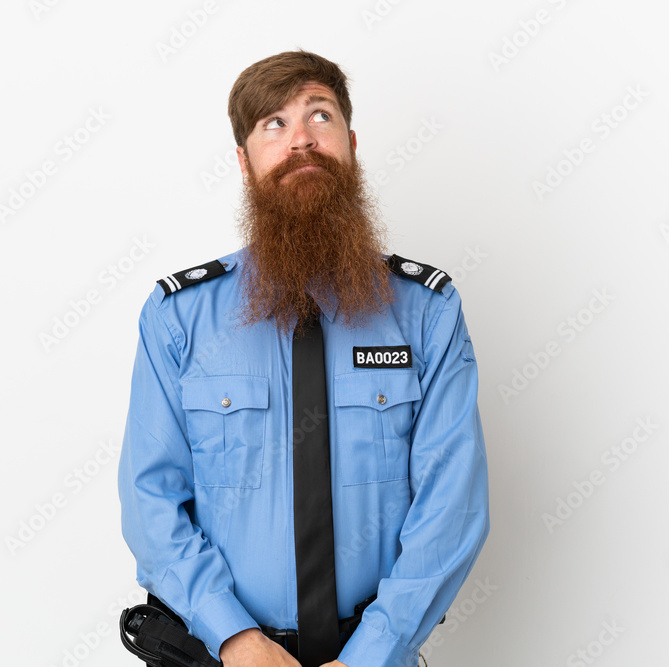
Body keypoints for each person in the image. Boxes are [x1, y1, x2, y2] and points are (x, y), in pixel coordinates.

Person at [118, 49, 490, 667]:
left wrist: (374, 651)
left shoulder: (426, 311)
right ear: (243, 162)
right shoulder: (178, 316)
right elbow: (150, 499)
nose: (301, 142)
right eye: (274, 124)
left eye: (319, 115)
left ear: (350, 142)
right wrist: (234, 638)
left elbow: (453, 503)